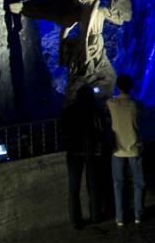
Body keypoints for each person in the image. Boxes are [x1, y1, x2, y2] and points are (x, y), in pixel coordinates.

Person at [61, 85, 103, 229]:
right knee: (93, 185)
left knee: (74, 187)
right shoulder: (95, 110)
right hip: (91, 152)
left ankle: (75, 220)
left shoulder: (69, 110)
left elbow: (63, 130)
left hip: (73, 152)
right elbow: (101, 130)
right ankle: (95, 216)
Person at [106, 74, 144, 226]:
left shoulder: (111, 103)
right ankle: (138, 215)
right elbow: (145, 112)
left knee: (118, 184)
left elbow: (103, 101)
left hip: (117, 150)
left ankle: (120, 218)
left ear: (118, 87)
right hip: (134, 149)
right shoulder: (135, 104)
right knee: (139, 183)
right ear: (131, 87)